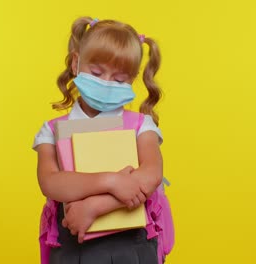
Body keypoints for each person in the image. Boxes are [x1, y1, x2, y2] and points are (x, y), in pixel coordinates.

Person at [32, 16, 164, 264]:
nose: (106, 83)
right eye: (96, 72)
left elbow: (150, 175)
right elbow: (50, 182)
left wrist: (94, 207)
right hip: (74, 248)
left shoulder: (140, 126)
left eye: (119, 80)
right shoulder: (52, 130)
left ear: (133, 79)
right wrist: (111, 181)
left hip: (132, 247)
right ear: (75, 63)